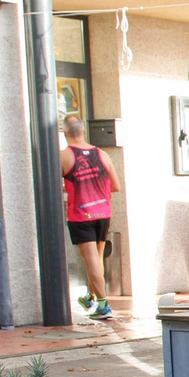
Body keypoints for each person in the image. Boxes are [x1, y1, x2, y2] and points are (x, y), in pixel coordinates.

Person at [59, 115, 121, 319]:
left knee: (91, 259)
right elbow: (115, 186)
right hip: (103, 213)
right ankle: (91, 297)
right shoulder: (102, 154)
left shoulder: (64, 156)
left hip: (81, 214)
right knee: (96, 258)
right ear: (84, 131)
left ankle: (103, 305)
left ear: (65, 133)